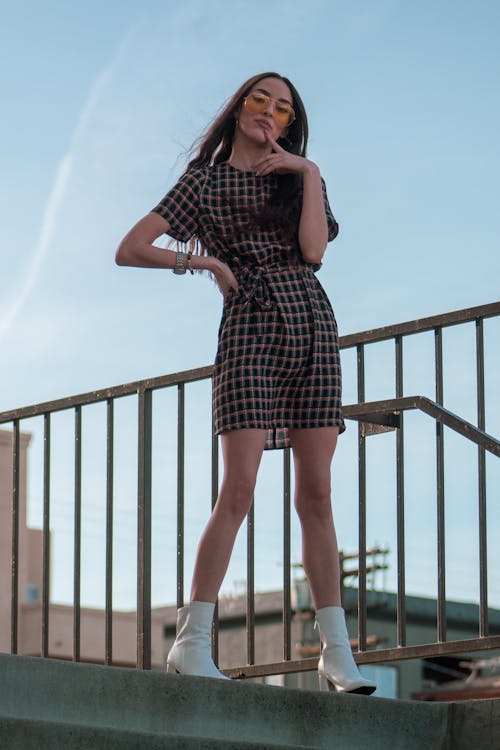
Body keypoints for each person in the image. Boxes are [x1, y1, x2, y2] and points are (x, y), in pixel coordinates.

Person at [116, 72, 376, 695]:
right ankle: (191, 643)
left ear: (289, 123)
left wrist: (309, 173)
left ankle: (335, 654)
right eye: (262, 100)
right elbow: (131, 247)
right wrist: (202, 260)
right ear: (239, 109)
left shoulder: (299, 177)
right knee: (238, 488)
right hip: (249, 328)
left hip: (312, 322)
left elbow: (314, 253)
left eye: (283, 107)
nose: (271, 112)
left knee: (317, 495)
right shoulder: (203, 182)